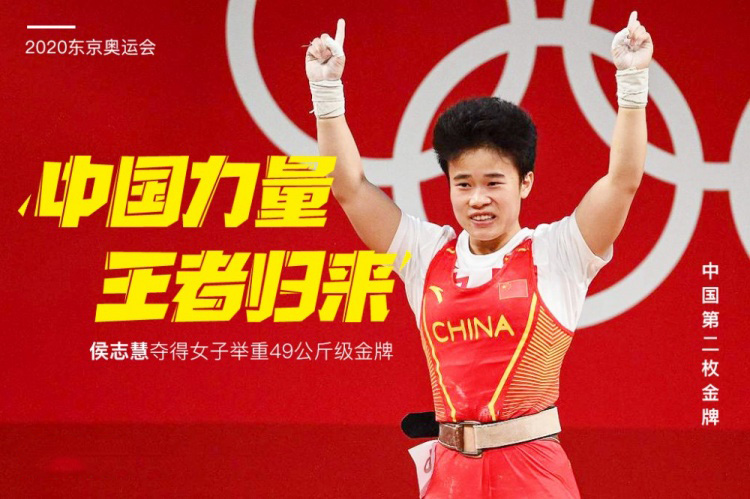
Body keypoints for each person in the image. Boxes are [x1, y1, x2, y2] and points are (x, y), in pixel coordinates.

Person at [305, 12, 653, 498]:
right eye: (463, 184)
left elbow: (622, 181)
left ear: (525, 183)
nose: (478, 199)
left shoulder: (559, 251)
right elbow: (349, 189)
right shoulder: (425, 254)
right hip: (450, 477)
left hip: (533, 474)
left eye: (494, 183)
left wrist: (632, 83)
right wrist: (326, 94)